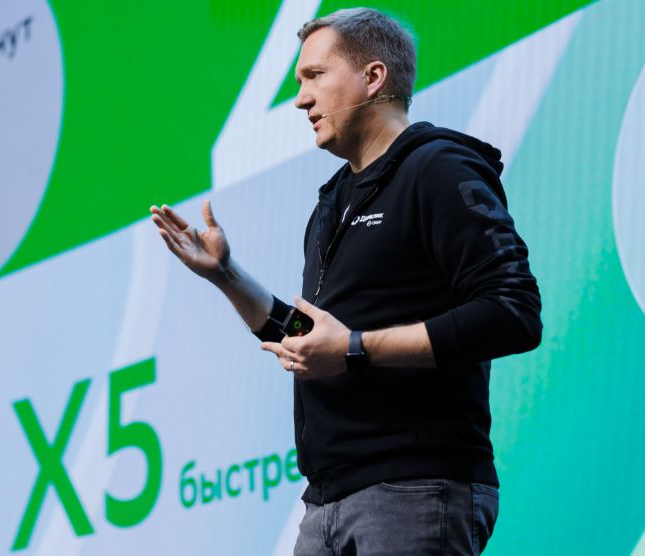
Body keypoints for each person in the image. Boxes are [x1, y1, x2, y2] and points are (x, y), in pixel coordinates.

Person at [150, 7, 541, 555]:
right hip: (325, 504)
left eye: (315, 75)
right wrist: (226, 275)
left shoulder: (439, 168)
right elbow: (313, 340)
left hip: (415, 487)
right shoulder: (331, 203)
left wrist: (355, 348)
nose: (300, 99)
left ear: (373, 77)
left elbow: (513, 313)